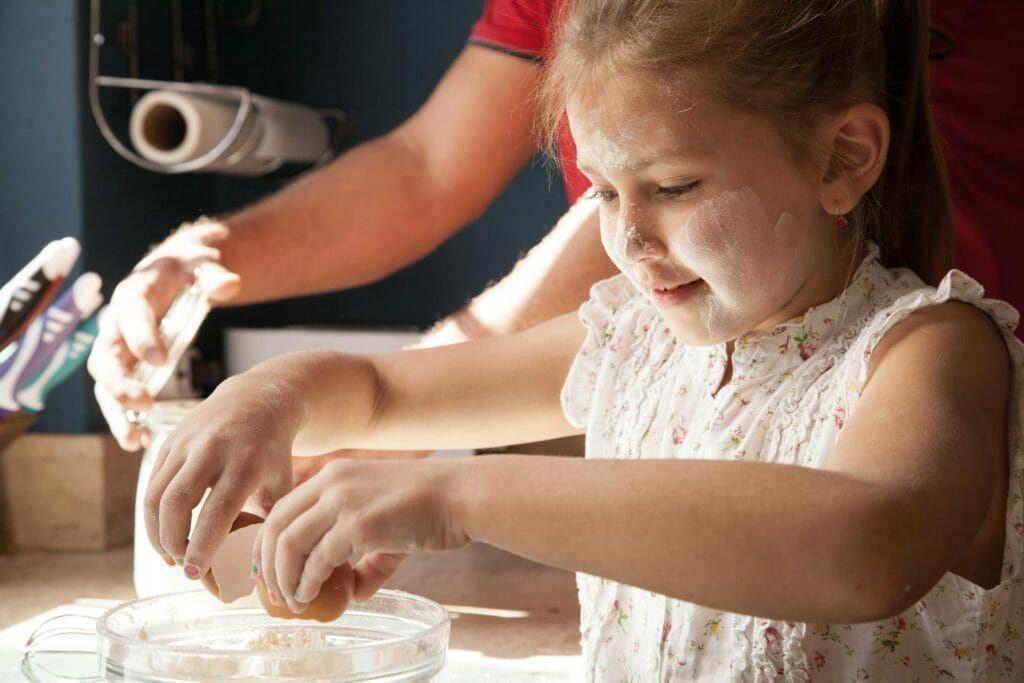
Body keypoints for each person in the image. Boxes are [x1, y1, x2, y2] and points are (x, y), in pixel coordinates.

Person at [144, 0, 1024, 678]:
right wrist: (270, 396)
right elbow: (383, 394)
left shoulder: (930, 351)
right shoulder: (633, 343)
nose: (628, 239)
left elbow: (865, 550)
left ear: (843, 159)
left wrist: (458, 495)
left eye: (673, 186)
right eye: (603, 191)